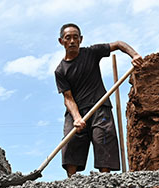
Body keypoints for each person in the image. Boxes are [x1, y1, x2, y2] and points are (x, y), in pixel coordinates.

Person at [54, 23, 143, 178]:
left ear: (81, 39)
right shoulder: (60, 70)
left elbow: (118, 44)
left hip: (100, 106)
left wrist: (134, 55)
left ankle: (105, 179)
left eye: (76, 37)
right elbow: (68, 98)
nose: (72, 41)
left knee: (103, 138)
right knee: (71, 140)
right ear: (61, 41)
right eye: (68, 38)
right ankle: (72, 181)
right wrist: (77, 118)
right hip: (77, 111)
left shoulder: (91, 53)